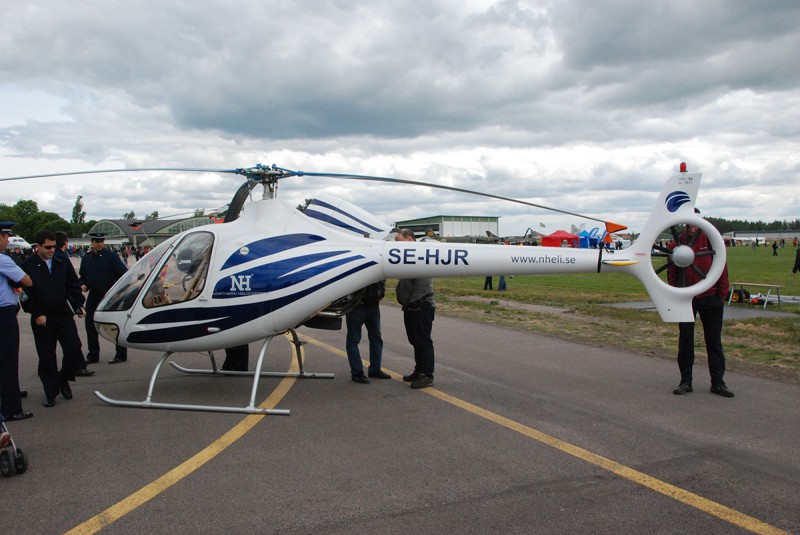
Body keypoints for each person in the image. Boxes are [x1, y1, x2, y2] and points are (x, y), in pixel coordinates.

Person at [667, 214, 734, 398]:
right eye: (689, 225)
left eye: (695, 224)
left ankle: (718, 382)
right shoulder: (676, 243)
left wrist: (721, 295)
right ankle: (686, 381)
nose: (692, 228)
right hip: (686, 298)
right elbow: (672, 271)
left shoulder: (711, 239)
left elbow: (721, 267)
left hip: (711, 297)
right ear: (685, 224)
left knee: (714, 342)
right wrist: (675, 294)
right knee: (685, 340)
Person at [21, 230, 87, 407]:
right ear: (38, 246)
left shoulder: (62, 261)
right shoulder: (28, 265)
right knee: (46, 356)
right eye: (47, 247)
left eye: (53, 247)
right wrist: (37, 313)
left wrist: (79, 304)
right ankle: (51, 392)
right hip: (43, 318)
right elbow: (25, 294)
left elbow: (73, 285)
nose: (51, 250)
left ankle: (63, 378)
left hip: (63, 315)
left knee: (74, 348)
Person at [0, 223, 34, 421]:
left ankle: (8, 393)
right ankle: (12, 407)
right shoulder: (3, 260)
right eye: (5, 236)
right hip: (4, 314)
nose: (7, 240)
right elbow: (27, 280)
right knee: (8, 360)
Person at [394, 229, 436, 389]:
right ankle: (419, 370)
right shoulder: (409, 256)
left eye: (399, 242)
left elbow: (422, 285)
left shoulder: (420, 256)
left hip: (420, 306)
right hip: (412, 306)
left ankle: (427, 375)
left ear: (410, 239)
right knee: (415, 341)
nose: (397, 246)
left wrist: (414, 304)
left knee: (423, 340)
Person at [79, 233, 129, 364]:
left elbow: (124, 276)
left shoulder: (111, 257)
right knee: (90, 325)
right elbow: (83, 276)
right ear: (92, 242)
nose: (100, 243)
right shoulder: (87, 258)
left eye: (101, 241)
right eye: (97, 241)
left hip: (110, 296)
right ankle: (93, 354)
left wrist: (119, 293)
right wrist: (83, 284)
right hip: (94, 295)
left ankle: (121, 353)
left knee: (114, 325)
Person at [55, 232, 94, 377]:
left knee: (49, 346)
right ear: (65, 243)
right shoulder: (62, 259)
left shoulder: (53, 258)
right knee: (71, 341)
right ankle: (75, 367)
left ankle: (51, 369)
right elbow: (71, 282)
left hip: (56, 305)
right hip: (64, 305)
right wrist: (78, 303)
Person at [345, 280, 389, 383]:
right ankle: (357, 372)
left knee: (376, 339)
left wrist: (379, 294)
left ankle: (375, 369)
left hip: (373, 306)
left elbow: (382, 280)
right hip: (356, 307)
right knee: (354, 340)